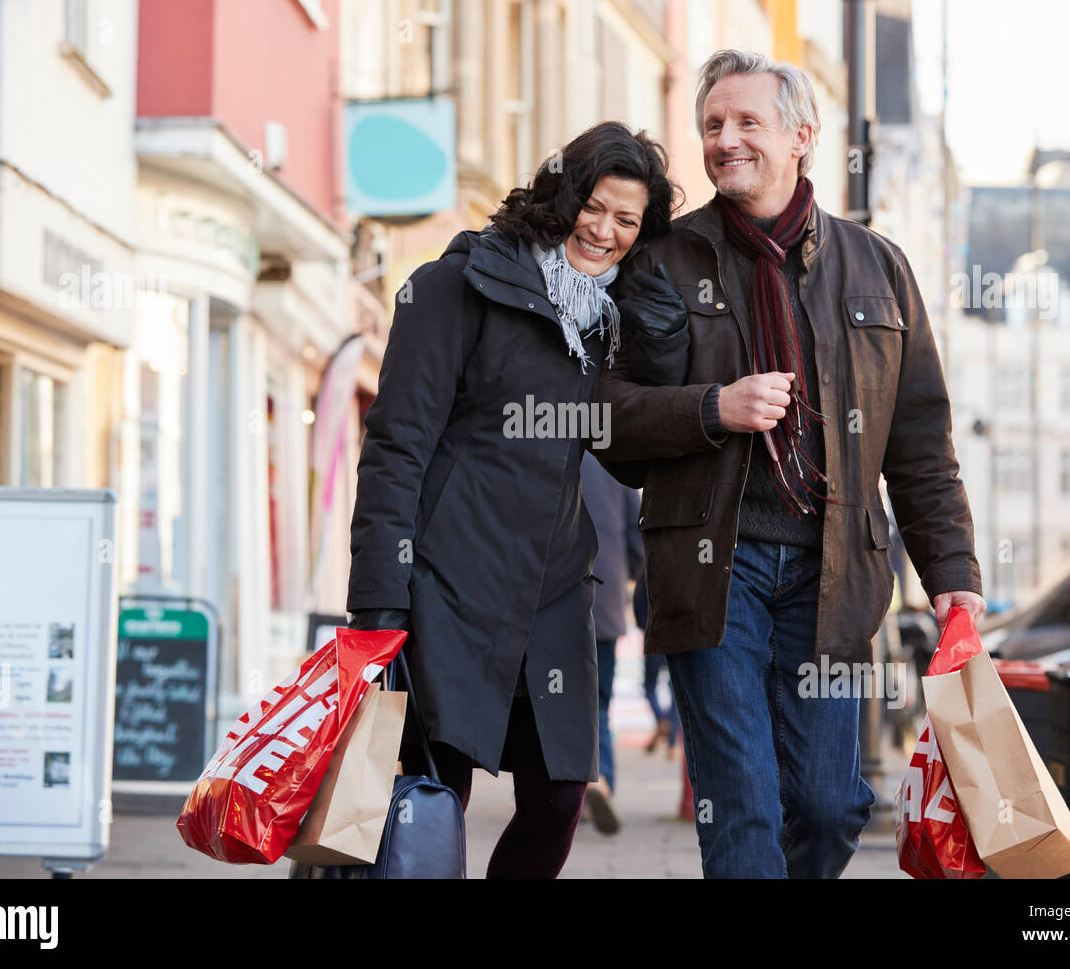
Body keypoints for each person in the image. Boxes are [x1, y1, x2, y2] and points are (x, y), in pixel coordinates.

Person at [598, 50, 986, 878]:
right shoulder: (665, 261)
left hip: (834, 576)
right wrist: (713, 407)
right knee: (744, 804)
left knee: (828, 804)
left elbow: (919, 441)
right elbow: (609, 421)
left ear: (803, 136)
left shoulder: (877, 268)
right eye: (711, 124)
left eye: (746, 122)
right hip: (713, 570)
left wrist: (953, 569)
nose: (724, 140)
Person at [346, 121, 680, 878]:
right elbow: (396, 445)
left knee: (561, 796)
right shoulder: (457, 286)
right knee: (434, 795)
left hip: (555, 594)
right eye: (595, 207)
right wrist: (378, 608)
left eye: (628, 221)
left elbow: (626, 457)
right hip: (447, 585)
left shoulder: (608, 325)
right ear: (562, 197)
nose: (605, 231)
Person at [578, 453, 643, 834]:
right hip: (606, 605)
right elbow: (637, 538)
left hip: (556, 603)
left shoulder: (545, 445)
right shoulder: (615, 461)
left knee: (561, 700)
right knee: (600, 702)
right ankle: (604, 784)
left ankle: (578, 783)